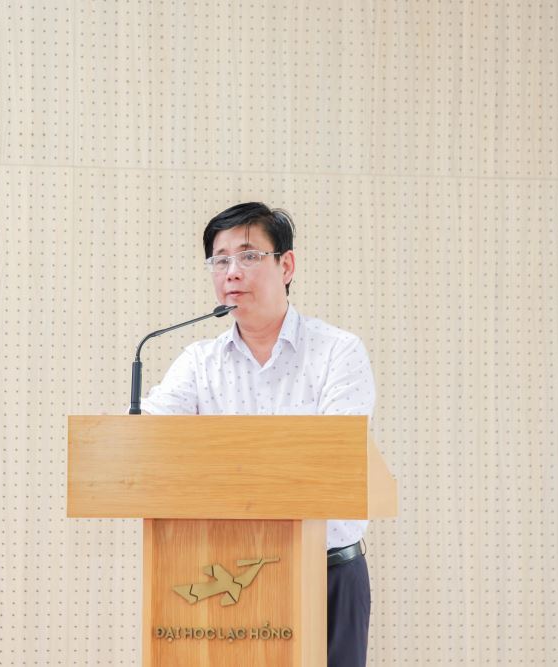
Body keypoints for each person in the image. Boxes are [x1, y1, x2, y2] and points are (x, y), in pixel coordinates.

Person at [140, 202, 377, 667]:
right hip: (224, 575)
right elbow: (148, 440)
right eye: (220, 259)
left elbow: (333, 460)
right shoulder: (198, 363)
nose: (232, 271)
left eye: (249, 256)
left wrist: (221, 465)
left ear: (286, 266)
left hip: (326, 573)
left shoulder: (338, 352)